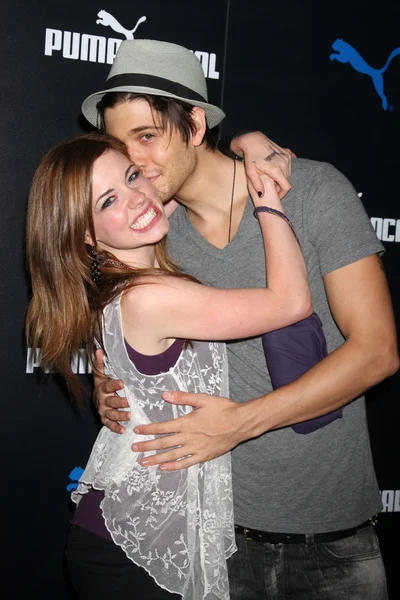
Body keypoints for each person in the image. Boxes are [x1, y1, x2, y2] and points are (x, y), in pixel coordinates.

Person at [90, 39, 399, 599]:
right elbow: (113, 319)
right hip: (213, 542)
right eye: (120, 144)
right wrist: (108, 382)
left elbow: (377, 350)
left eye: (148, 135)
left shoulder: (308, 192)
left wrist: (242, 421)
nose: (134, 161)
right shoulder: (153, 233)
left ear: (195, 124)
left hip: (331, 544)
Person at [25, 131, 312, 599]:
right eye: (108, 200)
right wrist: (268, 199)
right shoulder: (150, 297)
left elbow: (171, 187)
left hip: (124, 537)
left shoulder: (124, 282)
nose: (138, 197)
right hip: (129, 554)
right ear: (85, 234)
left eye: (133, 175)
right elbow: (293, 301)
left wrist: (249, 142)